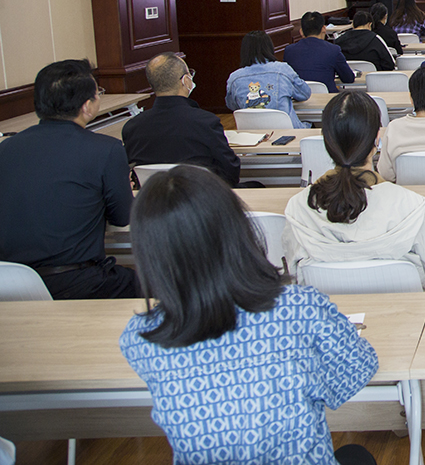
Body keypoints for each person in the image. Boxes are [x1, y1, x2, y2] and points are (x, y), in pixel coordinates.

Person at [120, 166, 380, 465]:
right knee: (356, 456)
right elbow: (359, 370)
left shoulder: (140, 338)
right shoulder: (298, 308)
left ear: (148, 252)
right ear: (237, 229)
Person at [0, 59, 138, 300]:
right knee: (161, 285)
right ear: (87, 106)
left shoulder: (5, 149)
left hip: (10, 284)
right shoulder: (106, 150)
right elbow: (123, 217)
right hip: (80, 284)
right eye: (98, 93)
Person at [284, 92, 425, 290]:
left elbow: (293, 274)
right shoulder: (409, 205)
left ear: (327, 141)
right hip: (404, 307)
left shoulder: (298, 207)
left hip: (326, 308)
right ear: (377, 138)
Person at [123, 52, 241, 186]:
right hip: (201, 195)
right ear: (186, 80)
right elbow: (231, 172)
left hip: (152, 196)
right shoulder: (205, 122)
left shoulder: (132, 127)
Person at [226, 31, 312, 128]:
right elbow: (305, 94)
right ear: (270, 47)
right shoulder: (283, 70)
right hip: (288, 132)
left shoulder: (234, 78)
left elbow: (232, 105)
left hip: (252, 133)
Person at [285, 11, 357, 92]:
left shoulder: (289, 51)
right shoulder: (333, 50)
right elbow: (348, 78)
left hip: (299, 97)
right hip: (328, 97)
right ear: (323, 28)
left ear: (301, 31)